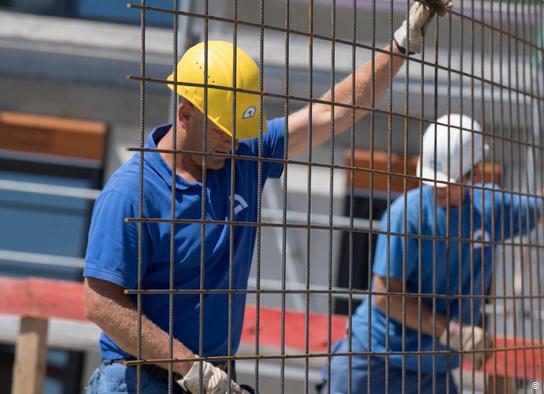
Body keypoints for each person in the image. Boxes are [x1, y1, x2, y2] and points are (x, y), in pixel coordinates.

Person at [82, 1, 453, 393]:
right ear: (186, 114)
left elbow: (333, 111)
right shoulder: (132, 193)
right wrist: (193, 369)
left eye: (236, 131)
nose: (231, 140)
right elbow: (100, 303)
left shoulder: (242, 158)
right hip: (140, 381)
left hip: (210, 380)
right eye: (221, 129)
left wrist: (400, 44)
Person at [323, 113, 544, 393]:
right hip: (374, 361)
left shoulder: (491, 208)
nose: (437, 187)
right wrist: (453, 334)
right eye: (431, 178)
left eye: (446, 181)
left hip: (432, 370)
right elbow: (386, 295)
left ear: (472, 173)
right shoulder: (405, 214)